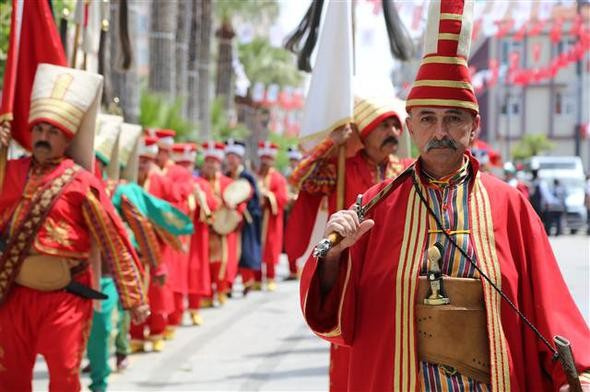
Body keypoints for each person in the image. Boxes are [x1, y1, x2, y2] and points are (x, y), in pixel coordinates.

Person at [300, 2, 590, 391]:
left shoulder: (510, 205)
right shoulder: (375, 205)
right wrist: (334, 257)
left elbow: (550, 305)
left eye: (454, 118)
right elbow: (334, 316)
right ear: (411, 128)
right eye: (428, 118)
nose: (441, 130)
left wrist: (574, 375)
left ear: (474, 127)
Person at [0, 64, 149, 391]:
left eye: (52, 132)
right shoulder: (9, 172)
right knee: (9, 377)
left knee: (65, 375)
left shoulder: (81, 182)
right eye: (38, 130)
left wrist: (134, 298)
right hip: (16, 292)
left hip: (65, 296)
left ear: (67, 139)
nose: (43, 137)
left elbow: (115, 238)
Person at [288, 96, 411, 391]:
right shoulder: (341, 164)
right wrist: (330, 144)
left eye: (396, 125)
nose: (393, 132)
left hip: (393, 272)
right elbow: (299, 179)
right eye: (384, 126)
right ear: (365, 134)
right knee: (347, 353)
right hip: (348, 272)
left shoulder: (408, 170)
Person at [225, 139, 262, 295]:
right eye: (229, 157)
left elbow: (255, 200)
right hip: (229, 220)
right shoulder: (226, 176)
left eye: (234, 157)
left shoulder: (247, 177)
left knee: (245, 251)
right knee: (230, 253)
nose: (231, 160)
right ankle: (228, 284)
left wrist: (243, 208)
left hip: (246, 220)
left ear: (239, 159)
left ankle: (247, 281)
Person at [255, 141, 288, 291]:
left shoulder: (279, 178)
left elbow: (283, 198)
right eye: (263, 158)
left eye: (268, 158)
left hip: (271, 218)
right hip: (257, 218)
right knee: (256, 247)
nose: (265, 161)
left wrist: (269, 196)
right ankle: (255, 278)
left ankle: (270, 277)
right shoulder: (255, 176)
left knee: (270, 247)